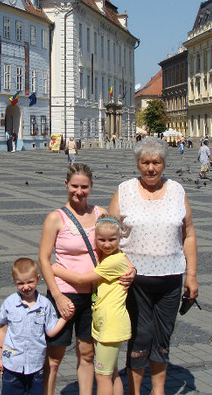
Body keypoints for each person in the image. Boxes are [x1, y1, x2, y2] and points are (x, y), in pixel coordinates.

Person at [108, 137, 198, 395]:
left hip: (170, 279)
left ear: (163, 164)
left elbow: (189, 234)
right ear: (138, 164)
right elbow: (109, 235)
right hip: (133, 281)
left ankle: (158, 392)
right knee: (139, 337)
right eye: (145, 162)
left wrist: (191, 275)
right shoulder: (124, 190)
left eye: (156, 162)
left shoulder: (177, 190)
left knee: (162, 338)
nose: (151, 168)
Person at [38, 163, 134, 395]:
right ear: (66, 185)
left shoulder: (100, 214)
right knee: (54, 356)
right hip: (63, 294)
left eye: (84, 187)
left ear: (91, 187)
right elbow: (43, 259)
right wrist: (58, 297)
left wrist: (132, 270)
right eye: (74, 186)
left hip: (93, 295)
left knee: (87, 354)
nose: (78, 191)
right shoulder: (55, 218)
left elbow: (115, 247)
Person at [51, 215, 135, 395]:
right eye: (101, 240)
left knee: (102, 376)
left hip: (111, 324)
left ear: (119, 240)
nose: (106, 244)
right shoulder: (115, 256)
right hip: (105, 323)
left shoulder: (113, 261)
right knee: (111, 372)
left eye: (112, 240)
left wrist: (55, 269)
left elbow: (82, 279)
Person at [0, 258, 72, 395]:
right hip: (12, 364)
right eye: (20, 283)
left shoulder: (45, 304)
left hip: (35, 365)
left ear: (37, 278)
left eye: (30, 282)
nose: (26, 287)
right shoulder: (10, 303)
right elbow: (3, 330)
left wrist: (65, 318)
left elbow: (51, 331)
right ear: (14, 281)